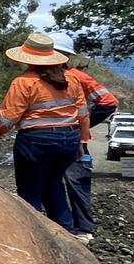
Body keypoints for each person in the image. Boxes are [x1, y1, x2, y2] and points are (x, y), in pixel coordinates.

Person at [0, 33, 90, 233]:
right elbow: (83, 113)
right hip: (68, 139)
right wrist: (82, 140)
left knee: (30, 193)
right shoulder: (71, 79)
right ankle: (67, 234)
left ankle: (33, 237)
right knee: (54, 185)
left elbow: (8, 118)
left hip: (37, 142)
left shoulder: (24, 82)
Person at [48, 32, 119, 242]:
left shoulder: (76, 77)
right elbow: (108, 101)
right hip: (70, 140)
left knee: (67, 183)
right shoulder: (73, 77)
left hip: (68, 141)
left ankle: (78, 229)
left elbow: (108, 102)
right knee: (62, 183)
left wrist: (82, 125)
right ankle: (73, 228)